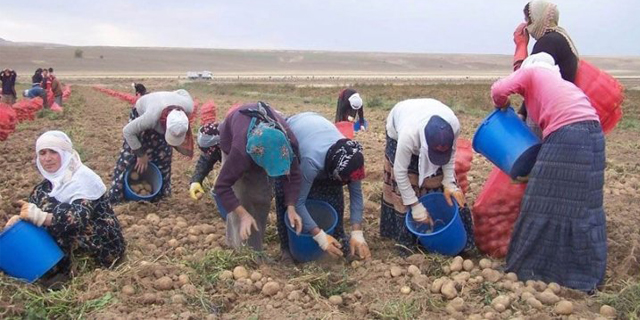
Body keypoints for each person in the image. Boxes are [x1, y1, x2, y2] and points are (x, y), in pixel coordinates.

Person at [491, 53, 606, 293]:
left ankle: (533, 269)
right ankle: (582, 273)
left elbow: (499, 89)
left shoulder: (533, 72)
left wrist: (501, 104)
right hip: (593, 137)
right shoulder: (559, 86)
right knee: (583, 206)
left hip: (569, 136)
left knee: (540, 202)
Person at [4, 131, 125, 285]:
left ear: (65, 153)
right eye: (42, 153)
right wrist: (20, 221)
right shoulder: (44, 188)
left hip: (101, 246)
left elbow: (77, 218)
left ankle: (64, 271)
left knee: (52, 221)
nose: (47, 158)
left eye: (53, 152)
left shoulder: (84, 179)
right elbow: (33, 210)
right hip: (68, 241)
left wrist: (41, 217)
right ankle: (48, 268)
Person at [380, 98, 474, 255]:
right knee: (409, 178)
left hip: (426, 115)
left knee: (439, 180)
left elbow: (450, 155)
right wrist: (415, 206)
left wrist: (449, 182)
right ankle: (408, 243)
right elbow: (400, 172)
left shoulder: (453, 125)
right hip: (400, 125)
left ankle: (457, 241)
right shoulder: (408, 135)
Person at [275, 112, 370, 262]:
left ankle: (336, 238)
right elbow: (298, 202)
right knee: (288, 196)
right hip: (296, 135)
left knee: (333, 193)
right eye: (342, 179)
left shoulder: (351, 159)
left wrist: (357, 233)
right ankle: (287, 249)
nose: (346, 182)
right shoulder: (310, 161)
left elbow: (356, 194)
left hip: (322, 139)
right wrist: (320, 237)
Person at [214, 101, 302, 252]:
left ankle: (255, 248)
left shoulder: (287, 144)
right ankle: (237, 248)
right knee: (241, 194)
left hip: (262, 142)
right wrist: (243, 215)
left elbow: (294, 175)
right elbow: (222, 186)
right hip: (233, 137)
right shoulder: (239, 153)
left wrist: (291, 207)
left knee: (261, 196)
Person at [109, 89, 194, 204]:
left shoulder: (188, 107)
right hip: (144, 110)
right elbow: (127, 132)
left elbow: (183, 91)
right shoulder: (150, 118)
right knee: (129, 155)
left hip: (162, 109)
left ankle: (161, 196)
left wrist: (170, 95)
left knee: (164, 155)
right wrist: (140, 154)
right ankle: (116, 197)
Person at [513, 0, 579, 132]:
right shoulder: (562, 38)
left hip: (547, 113)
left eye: (528, 20)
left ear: (537, 18)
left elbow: (526, 80)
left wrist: (520, 45)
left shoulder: (548, 42)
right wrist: (523, 111)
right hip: (562, 110)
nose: (527, 26)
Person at [189, 122, 222, 200]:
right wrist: (196, 180)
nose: (209, 153)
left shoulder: (235, 144)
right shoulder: (215, 144)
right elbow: (205, 160)